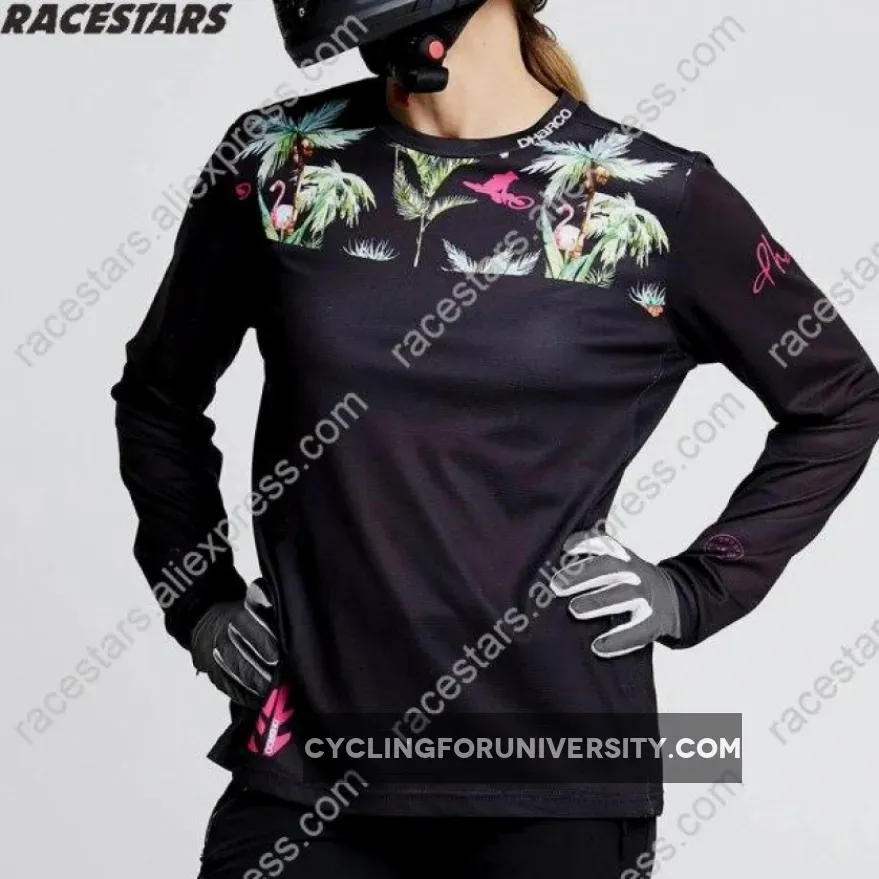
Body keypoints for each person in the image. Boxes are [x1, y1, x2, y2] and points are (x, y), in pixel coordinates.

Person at [111, 0, 879, 875]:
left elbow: (839, 399)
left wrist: (697, 586)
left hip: (554, 775)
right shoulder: (276, 157)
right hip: (305, 762)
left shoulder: (658, 196)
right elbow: (159, 394)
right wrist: (197, 594)